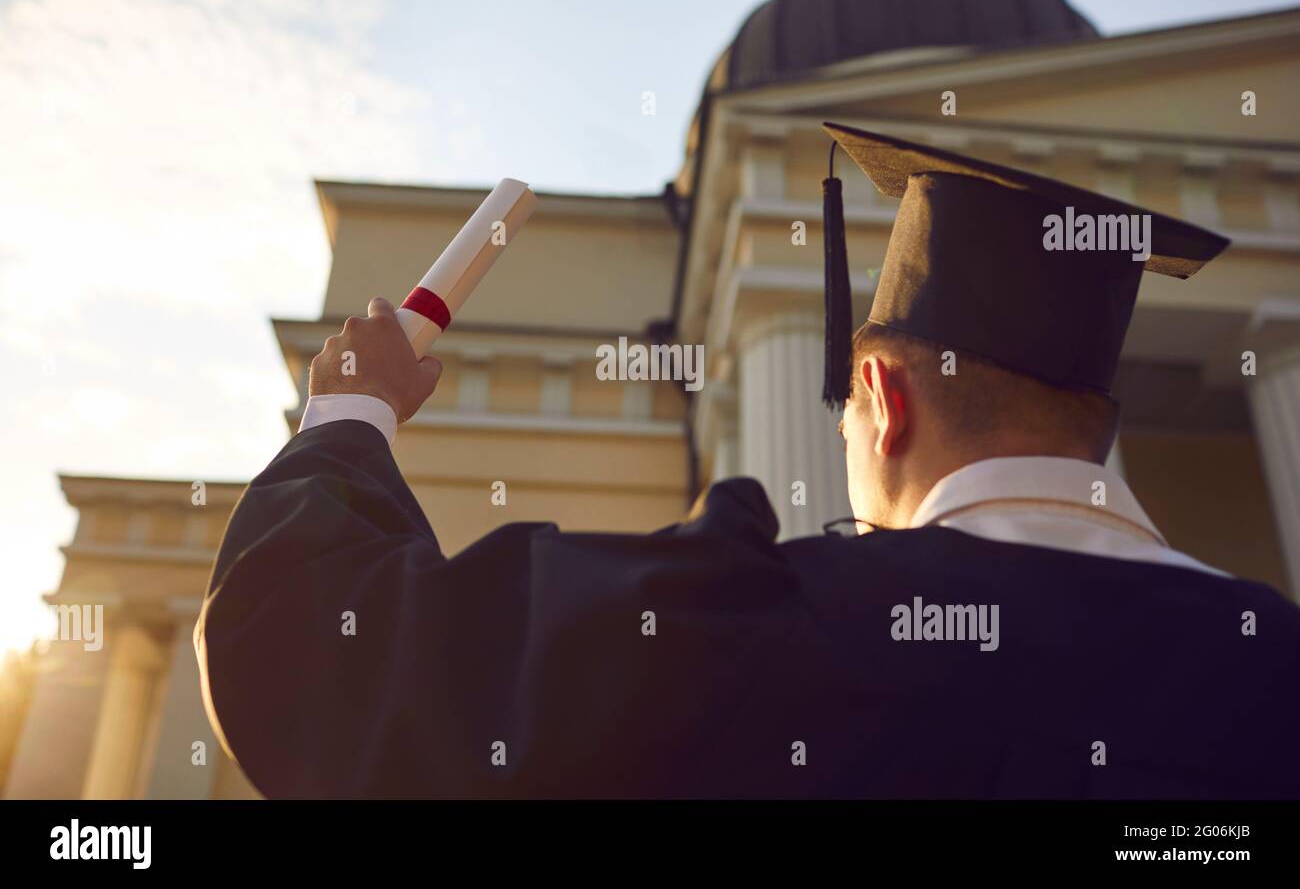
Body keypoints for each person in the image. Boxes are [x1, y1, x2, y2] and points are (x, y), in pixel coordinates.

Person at [195, 125, 1300, 798]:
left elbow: (313, 660)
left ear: (881, 395)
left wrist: (346, 416)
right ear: (1094, 421)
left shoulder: (771, 630)